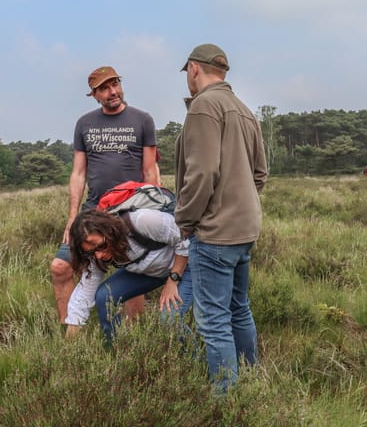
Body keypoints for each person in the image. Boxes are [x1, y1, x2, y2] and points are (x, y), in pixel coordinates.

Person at [175, 44, 268, 392]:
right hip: (245, 231)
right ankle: (250, 385)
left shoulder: (204, 106)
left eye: (186, 72)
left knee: (213, 321)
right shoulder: (244, 110)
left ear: (194, 69)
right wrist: (239, 205)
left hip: (214, 234)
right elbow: (260, 174)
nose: (187, 78)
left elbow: (201, 174)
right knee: (238, 309)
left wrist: (185, 219)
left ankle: (226, 401)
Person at [50, 66, 159, 325]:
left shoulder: (142, 120)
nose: (112, 92)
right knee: (61, 267)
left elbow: (150, 168)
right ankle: (69, 335)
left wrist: (153, 210)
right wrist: (72, 218)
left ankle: (134, 338)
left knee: (134, 270)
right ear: (94, 94)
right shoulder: (85, 123)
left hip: (131, 211)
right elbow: (78, 173)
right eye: (104, 88)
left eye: (115, 84)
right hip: (93, 212)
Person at [64, 208, 191, 345]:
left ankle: (197, 361)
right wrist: (69, 347)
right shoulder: (97, 256)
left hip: (186, 267)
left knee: (169, 320)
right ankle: (116, 350)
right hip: (150, 273)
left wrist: (172, 281)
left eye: (101, 246)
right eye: (91, 252)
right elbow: (83, 297)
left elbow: (184, 239)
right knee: (104, 297)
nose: (99, 255)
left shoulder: (144, 220)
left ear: (110, 231)